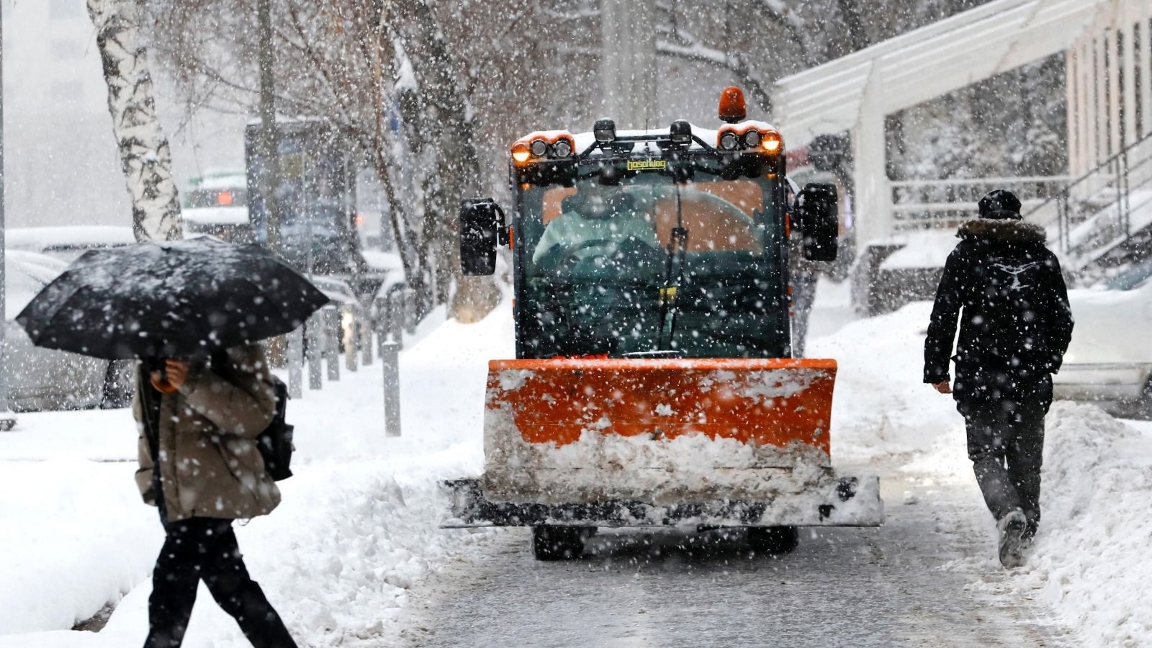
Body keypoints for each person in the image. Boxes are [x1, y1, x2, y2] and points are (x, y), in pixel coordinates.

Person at [923, 189, 1073, 569]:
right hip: (1029, 377)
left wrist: (936, 369)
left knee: (986, 454)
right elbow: (1063, 319)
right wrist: (1048, 360)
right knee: (1026, 460)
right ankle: (1026, 530)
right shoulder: (1041, 258)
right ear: (1018, 218)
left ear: (982, 218)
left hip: (980, 377)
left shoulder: (965, 255)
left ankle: (1008, 513)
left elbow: (944, 314)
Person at [134, 344, 297, 648]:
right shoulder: (151, 344)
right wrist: (150, 478)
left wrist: (193, 381)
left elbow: (255, 415)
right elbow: (149, 427)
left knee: (170, 594)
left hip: (211, 487)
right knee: (232, 589)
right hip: (172, 492)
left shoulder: (231, 341)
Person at [532, 183, 659, 264]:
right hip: (571, 294)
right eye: (595, 188)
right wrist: (565, 267)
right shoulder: (561, 224)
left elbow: (654, 264)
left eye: (609, 189)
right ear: (583, 192)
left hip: (627, 292)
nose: (601, 194)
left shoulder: (635, 221)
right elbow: (539, 266)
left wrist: (628, 261)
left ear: (620, 192)